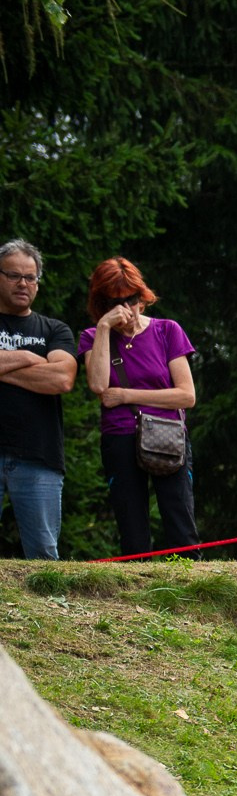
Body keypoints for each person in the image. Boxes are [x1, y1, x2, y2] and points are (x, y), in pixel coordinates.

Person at [78, 258, 199, 557]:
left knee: (180, 523)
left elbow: (186, 395)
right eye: (115, 302)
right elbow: (98, 386)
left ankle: (196, 589)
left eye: (131, 299)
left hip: (168, 433)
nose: (126, 309)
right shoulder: (92, 337)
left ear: (141, 298)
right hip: (120, 436)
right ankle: (136, 597)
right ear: (101, 303)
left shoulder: (167, 330)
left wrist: (127, 396)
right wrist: (105, 326)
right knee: (132, 529)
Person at [0, 239, 78, 559]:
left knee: (44, 556)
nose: (23, 283)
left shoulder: (54, 330)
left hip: (39, 456)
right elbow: (49, 371)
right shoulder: (43, 344)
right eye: (13, 275)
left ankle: (50, 610)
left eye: (30, 277)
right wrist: (30, 357)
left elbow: (61, 378)